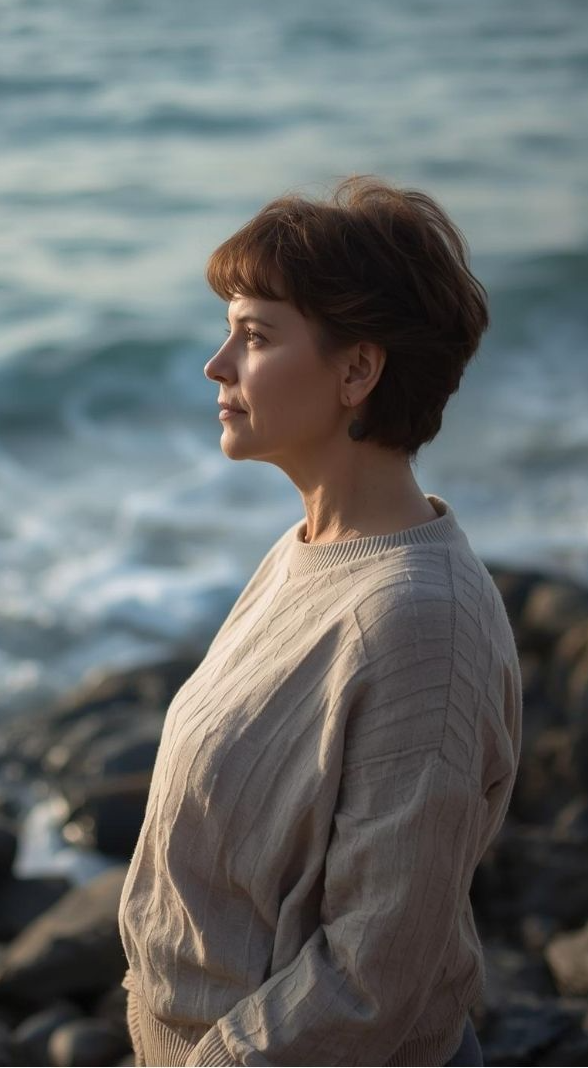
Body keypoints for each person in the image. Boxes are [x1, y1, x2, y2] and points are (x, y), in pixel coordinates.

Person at [117, 175, 522, 1067]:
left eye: (255, 335)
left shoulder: (421, 626)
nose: (217, 365)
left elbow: (371, 977)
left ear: (357, 370)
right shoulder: (306, 550)